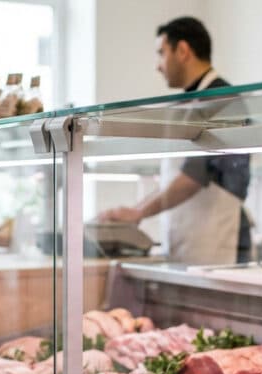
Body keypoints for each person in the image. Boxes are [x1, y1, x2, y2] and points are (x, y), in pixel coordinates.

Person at [98, 16, 252, 264]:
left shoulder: (222, 101)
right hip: (187, 241)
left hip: (220, 243)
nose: (158, 66)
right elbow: (179, 177)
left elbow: (193, 177)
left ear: (182, 50)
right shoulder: (187, 103)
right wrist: (136, 212)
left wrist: (138, 212)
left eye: (161, 53)